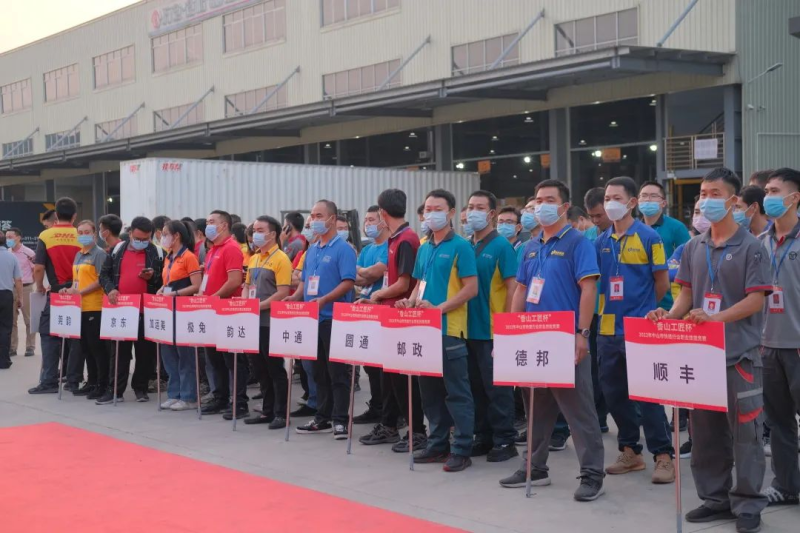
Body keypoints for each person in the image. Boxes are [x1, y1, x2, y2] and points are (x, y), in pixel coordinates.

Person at [648, 167, 770, 533]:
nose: (705, 200)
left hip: (739, 356)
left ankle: (747, 504)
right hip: (700, 357)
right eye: (702, 193)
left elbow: (756, 299)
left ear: (733, 200)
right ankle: (715, 499)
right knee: (704, 435)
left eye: (715, 194)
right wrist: (669, 316)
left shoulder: (751, 247)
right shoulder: (693, 246)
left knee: (746, 436)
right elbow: (686, 293)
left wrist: (717, 319)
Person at [499, 179, 605, 502]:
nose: (541, 206)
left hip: (565, 338)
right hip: (533, 338)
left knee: (579, 410)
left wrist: (582, 333)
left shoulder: (577, 243)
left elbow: (589, 289)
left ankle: (592, 474)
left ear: (563, 207)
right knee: (536, 408)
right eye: (537, 200)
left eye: (548, 200)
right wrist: (512, 332)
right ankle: (534, 467)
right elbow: (521, 290)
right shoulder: (530, 246)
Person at [595, 176, 675, 484]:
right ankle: (630, 451)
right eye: (607, 198)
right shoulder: (600, 241)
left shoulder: (649, 237)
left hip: (639, 327)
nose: (610, 203)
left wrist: (643, 310)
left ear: (631, 203)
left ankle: (663, 455)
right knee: (614, 394)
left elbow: (661, 281)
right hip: (607, 329)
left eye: (616, 198)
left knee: (648, 394)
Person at [398, 188, 478, 472]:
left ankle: (462, 448)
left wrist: (439, 308)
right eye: (427, 209)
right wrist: (410, 301)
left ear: (451, 212)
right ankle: (438, 443)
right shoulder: (424, 247)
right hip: (423, 329)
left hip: (449, 330)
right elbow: (419, 284)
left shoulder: (461, 247)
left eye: (437, 209)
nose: (431, 214)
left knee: (456, 392)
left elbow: (471, 288)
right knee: (429, 392)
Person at [359, 189, 427, 453]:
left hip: (402, 316)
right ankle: (389, 424)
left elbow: (404, 283)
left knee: (403, 380)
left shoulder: (406, 240)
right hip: (389, 315)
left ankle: (417, 431)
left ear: (382, 213)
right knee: (388, 378)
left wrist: (378, 294)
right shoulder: (395, 239)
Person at [292, 200, 357, 439]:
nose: (313, 220)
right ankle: (322, 417)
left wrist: (326, 299)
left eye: (319, 215)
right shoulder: (312, 249)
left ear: (332, 219)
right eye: (312, 215)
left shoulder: (343, 249)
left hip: (334, 318)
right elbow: (304, 281)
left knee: (337, 372)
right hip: (313, 318)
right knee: (317, 372)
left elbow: (348, 282)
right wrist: (294, 297)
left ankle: (340, 420)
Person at [464, 190, 518, 462]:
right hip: (467, 329)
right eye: (470, 206)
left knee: (498, 390)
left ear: (491, 213)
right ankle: (483, 436)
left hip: (492, 330)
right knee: (475, 388)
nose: (473, 212)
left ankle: (505, 440)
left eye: (479, 207)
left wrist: (506, 328)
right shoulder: (466, 245)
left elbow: (513, 288)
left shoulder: (501, 246)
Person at [758, 167, 800, 507]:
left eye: (774, 191)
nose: (767, 197)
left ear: (794, 197)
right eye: (767, 191)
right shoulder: (760, 242)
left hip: (797, 346)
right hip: (767, 347)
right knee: (779, 421)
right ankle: (786, 486)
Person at [98, 216, 163, 405]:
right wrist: (111, 289)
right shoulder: (117, 250)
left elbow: (163, 281)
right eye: (138, 238)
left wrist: (152, 277)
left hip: (146, 310)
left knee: (145, 353)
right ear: (130, 233)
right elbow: (104, 275)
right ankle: (115, 391)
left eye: (146, 239)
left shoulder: (157, 252)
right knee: (119, 352)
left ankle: (140, 388)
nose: (142, 242)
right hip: (121, 309)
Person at [243, 216, 292, 429]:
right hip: (254, 320)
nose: (255, 234)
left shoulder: (281, 258)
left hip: (270, 322)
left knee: (275, 369)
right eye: (254, 230)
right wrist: (245, 303)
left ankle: (281, 413)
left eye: (260, 230)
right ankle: (267, 410)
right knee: (259, 369)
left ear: (272, 234)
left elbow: (282, 292)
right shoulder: (254, 258)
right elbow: (247, 285)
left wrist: (258, 306)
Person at [28, 197, 81, 394]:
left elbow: (39, 267)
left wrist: (40, 286)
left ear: (56, 215)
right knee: (76, 337)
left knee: (49, 335)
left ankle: (49, 381)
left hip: (57, 293)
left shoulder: (46, 235)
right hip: (78, 293)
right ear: (74, 216)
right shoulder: (81, 234)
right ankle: (73, 380)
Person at [199, 210, 248, 419]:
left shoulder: (231, 248)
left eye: (212, 222)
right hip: (211, 310)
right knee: (214, 358)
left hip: (228, 311)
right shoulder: (213, 250)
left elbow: (235, 281)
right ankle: (220, 397)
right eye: (207, 221)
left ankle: (239, 402)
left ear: (224, 225)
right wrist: (202, 295)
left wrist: (214, 298)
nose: (208, 225)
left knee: (233, 360)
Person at [157, 220, 202, 411]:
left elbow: (196, 285)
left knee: (185, 355)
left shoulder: (189, 257)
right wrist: (161, 290)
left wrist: (175, 294)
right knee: (168, 354)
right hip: (167, 309)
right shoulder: (169, 257)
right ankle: (174, 393)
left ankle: (189, 396)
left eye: (165, 234)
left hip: (183, 310)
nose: (162, 237)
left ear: (176, 236)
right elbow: (168, 281)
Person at [352, 205, 389, 424]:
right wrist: (367, 273)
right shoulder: (367, 250)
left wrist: (366, 273)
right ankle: (376, 406)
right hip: (364, 309)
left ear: (383, 221)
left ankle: (389, 411)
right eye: (366, 220)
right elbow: (356, 275)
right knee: (370, 364)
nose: (367, 224)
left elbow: (376, 272)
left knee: (383, 366)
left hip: (382, 310)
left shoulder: (388, 246)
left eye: (372, 220)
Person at [63, 221, 108, 398]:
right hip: (79, 307)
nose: (83, 235)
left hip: (94, 306)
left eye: (87, 232)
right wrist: (69, 290)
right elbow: (77, 281)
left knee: (97, 347)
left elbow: (101, 279)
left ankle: (102, 384)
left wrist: (80, 292)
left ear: (94, 234)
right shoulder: (78, 254)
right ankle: (92, 381)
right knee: (86, 347)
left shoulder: (99, 254)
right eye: (80, 232)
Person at [582, 187, 611, 432]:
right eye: (591, 216)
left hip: (615, 311)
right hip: (592, 312)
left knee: (611, 369)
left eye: (599, 215)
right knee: (593, 368)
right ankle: (598, 418)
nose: (595, 220)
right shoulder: (588, 237)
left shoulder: (625, 235)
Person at [638, 181, 691, 313]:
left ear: (663, 203)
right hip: (639, 300)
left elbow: (689, 261)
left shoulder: (676, 227)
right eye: (644, 196)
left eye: (653, 196)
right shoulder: (633, 228)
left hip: (669, 303)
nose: (647, 200)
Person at [5, 227, 36, 357]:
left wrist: (31, 282)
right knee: (12, 320)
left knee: (28, 319)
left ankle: (30, 346)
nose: (8, 240)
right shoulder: (7, 252)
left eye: (10, 237)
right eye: (6, 237)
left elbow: (36, 270)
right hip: (10, 288)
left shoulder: (28, 253)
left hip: (26, 287)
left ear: (18, 238)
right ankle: (12, 347)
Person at [0, 233, 23, 370]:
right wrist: (20, 298)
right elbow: (18, 280)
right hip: (6, 295)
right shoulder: (12, 257)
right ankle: (3, 360)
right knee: (5, 328)